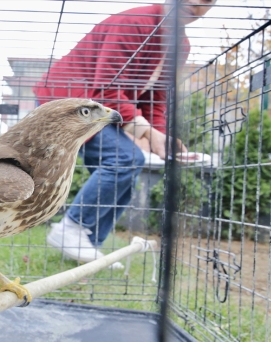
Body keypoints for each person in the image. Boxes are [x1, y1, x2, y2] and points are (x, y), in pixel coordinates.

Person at [33, 0, 216, 266]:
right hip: (68, 100)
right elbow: (105, 88)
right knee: (125, 159)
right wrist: (147, 133)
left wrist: (160, 140)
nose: (197, 3)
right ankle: (69, 229)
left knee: (128, 167)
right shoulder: (135, 23)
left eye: (208, 1)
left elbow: (155, 100)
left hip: (97, 107)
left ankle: (85, 248)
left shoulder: (181, 45)